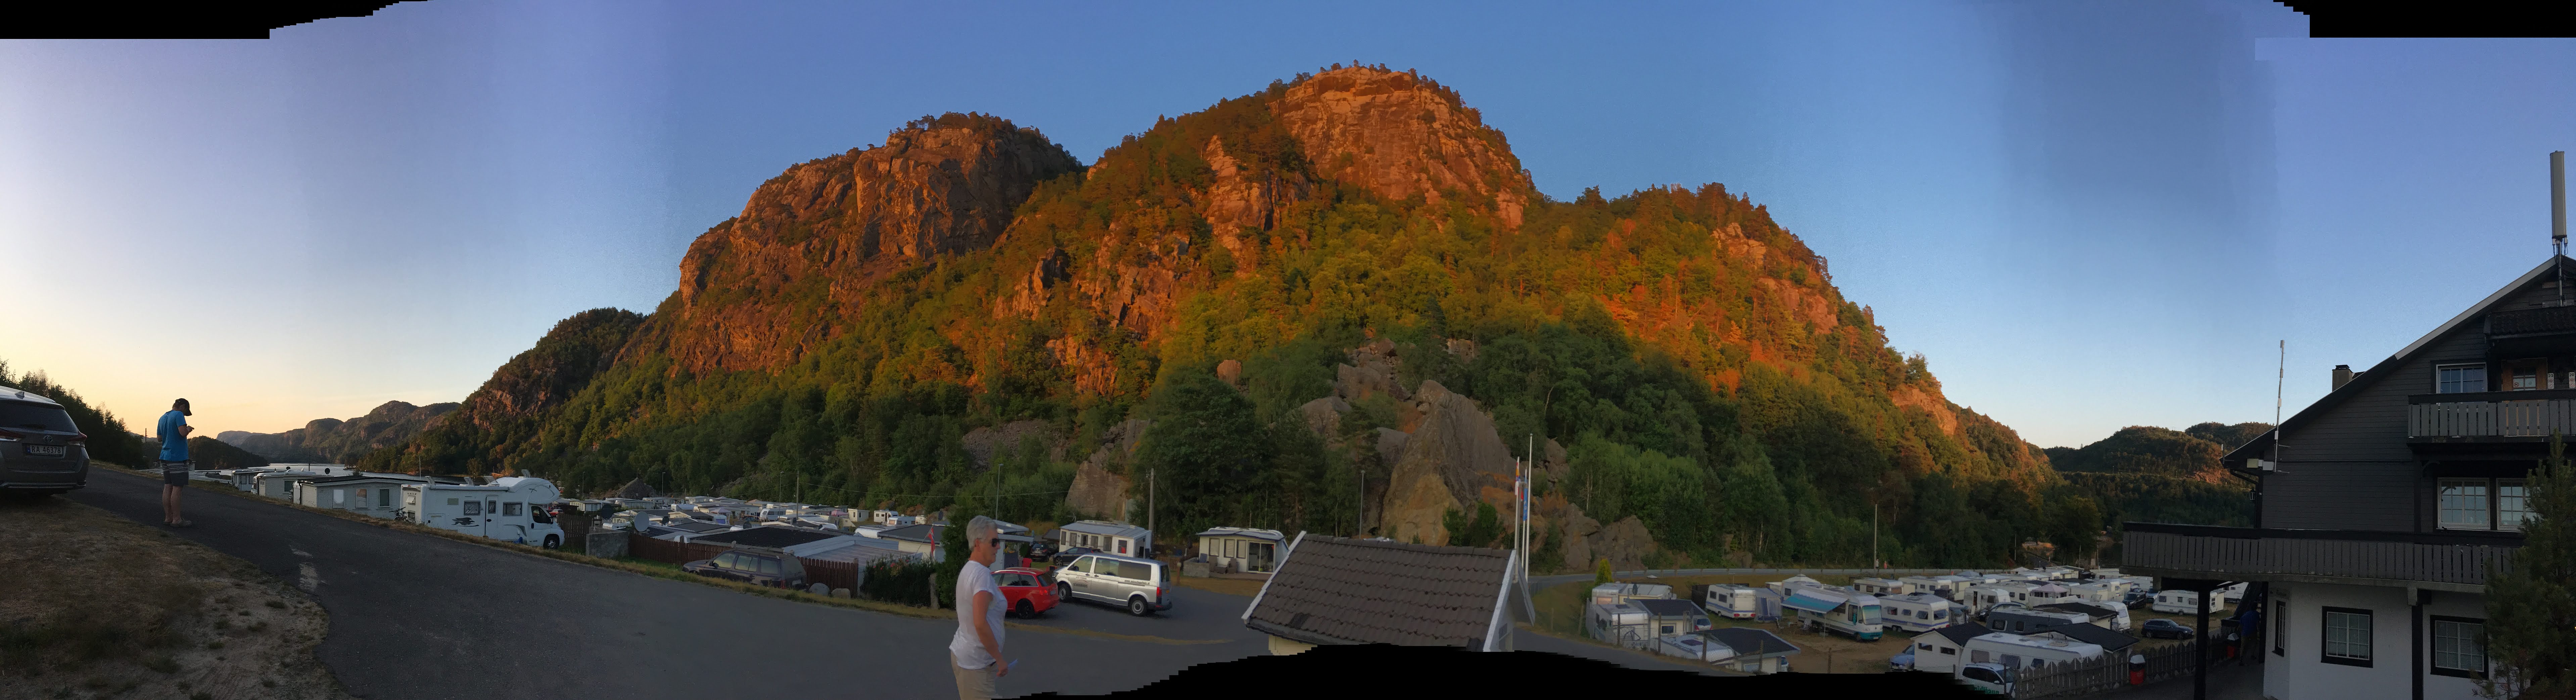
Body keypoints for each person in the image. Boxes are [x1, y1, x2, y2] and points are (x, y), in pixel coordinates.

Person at [949, 515, 1011, 700]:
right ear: (978, 543)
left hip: (969, 659)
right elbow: (980, 623)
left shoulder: (970, 569)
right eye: (994, 542)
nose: (998, 547)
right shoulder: (982, 575)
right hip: (975, 665)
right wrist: (999, 658)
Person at [156, 398, 194, 527]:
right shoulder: (178, 415)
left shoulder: (163, 417)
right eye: (185, 411)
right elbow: (183, 433)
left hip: (165, 456)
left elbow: (159, 438)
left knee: (168, 486)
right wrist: (188, 429)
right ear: (182, 407)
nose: (184, 415)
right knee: (178, 488)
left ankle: (169, 518)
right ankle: (177, 520)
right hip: (177, 457)